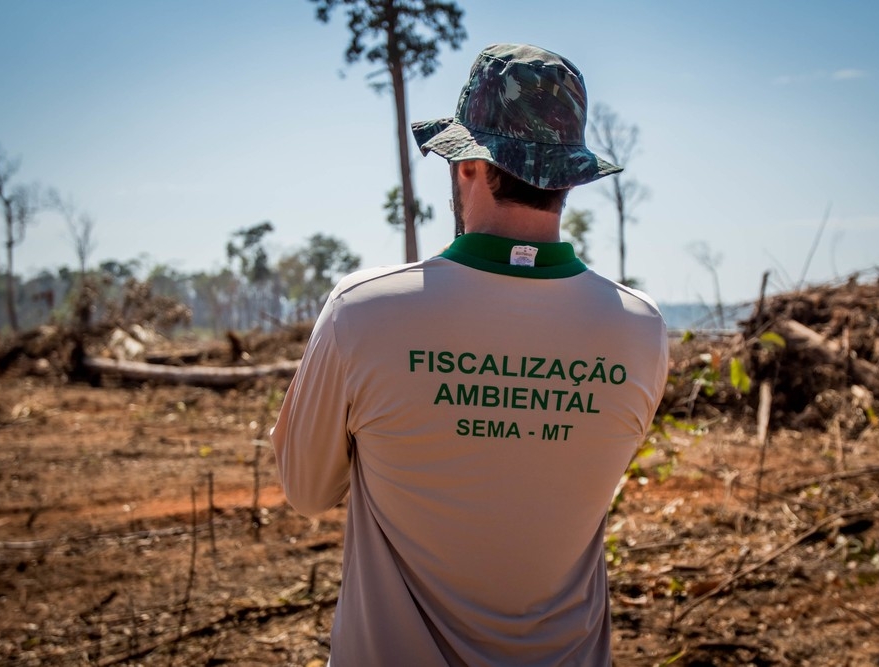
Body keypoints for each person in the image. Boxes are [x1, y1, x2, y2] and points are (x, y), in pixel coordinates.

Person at [272, 43, 669, 667]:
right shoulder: (639, 331)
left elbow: (306, 490)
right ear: (569, 177)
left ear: (465, 164)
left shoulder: (363, 312)